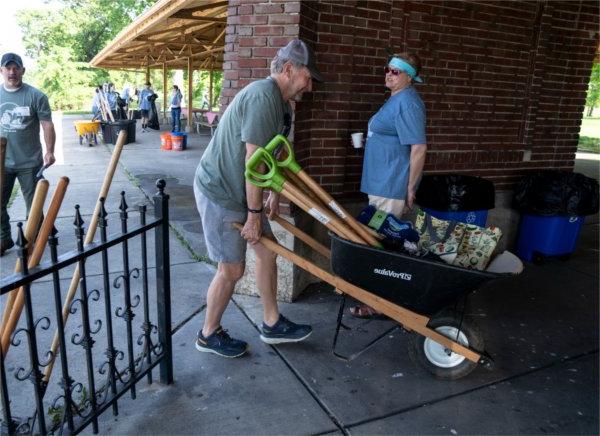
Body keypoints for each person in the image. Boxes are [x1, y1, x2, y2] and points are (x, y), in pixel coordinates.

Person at [193, 39, 324, 358]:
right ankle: (208, 333)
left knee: (267, 254)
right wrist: (253, 216)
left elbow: (275, 155)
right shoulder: (263, 96)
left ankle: (272, 323)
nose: (309, 86)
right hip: (222, 191)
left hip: (243, 192)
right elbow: (255, 163)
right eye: (307, 77)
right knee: (232, 269)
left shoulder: (283, 106)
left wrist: (274, 195)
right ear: (290, 69)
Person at [350, 52, 427, 319]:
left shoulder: (408, 102)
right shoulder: (396, 99)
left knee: (380, 246)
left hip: (390, 184)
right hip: (380, 182)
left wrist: (410, 187)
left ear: (409, 77)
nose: (389, 74)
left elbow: (418, 148)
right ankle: (379, 301)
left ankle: (381, 304)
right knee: (377, 243)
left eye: (396, 71)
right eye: (388, 69)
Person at [0, 52, 56, 255]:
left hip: (29, 161)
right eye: (8, 68)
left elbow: (47, 125)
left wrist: (50, 151)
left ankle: (32, 241)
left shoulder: (36, 96)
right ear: (1, 71)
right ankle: (3, 239)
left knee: (33, 205)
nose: (12, 72)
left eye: (16, 68)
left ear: (23, 70)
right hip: (2, 162)